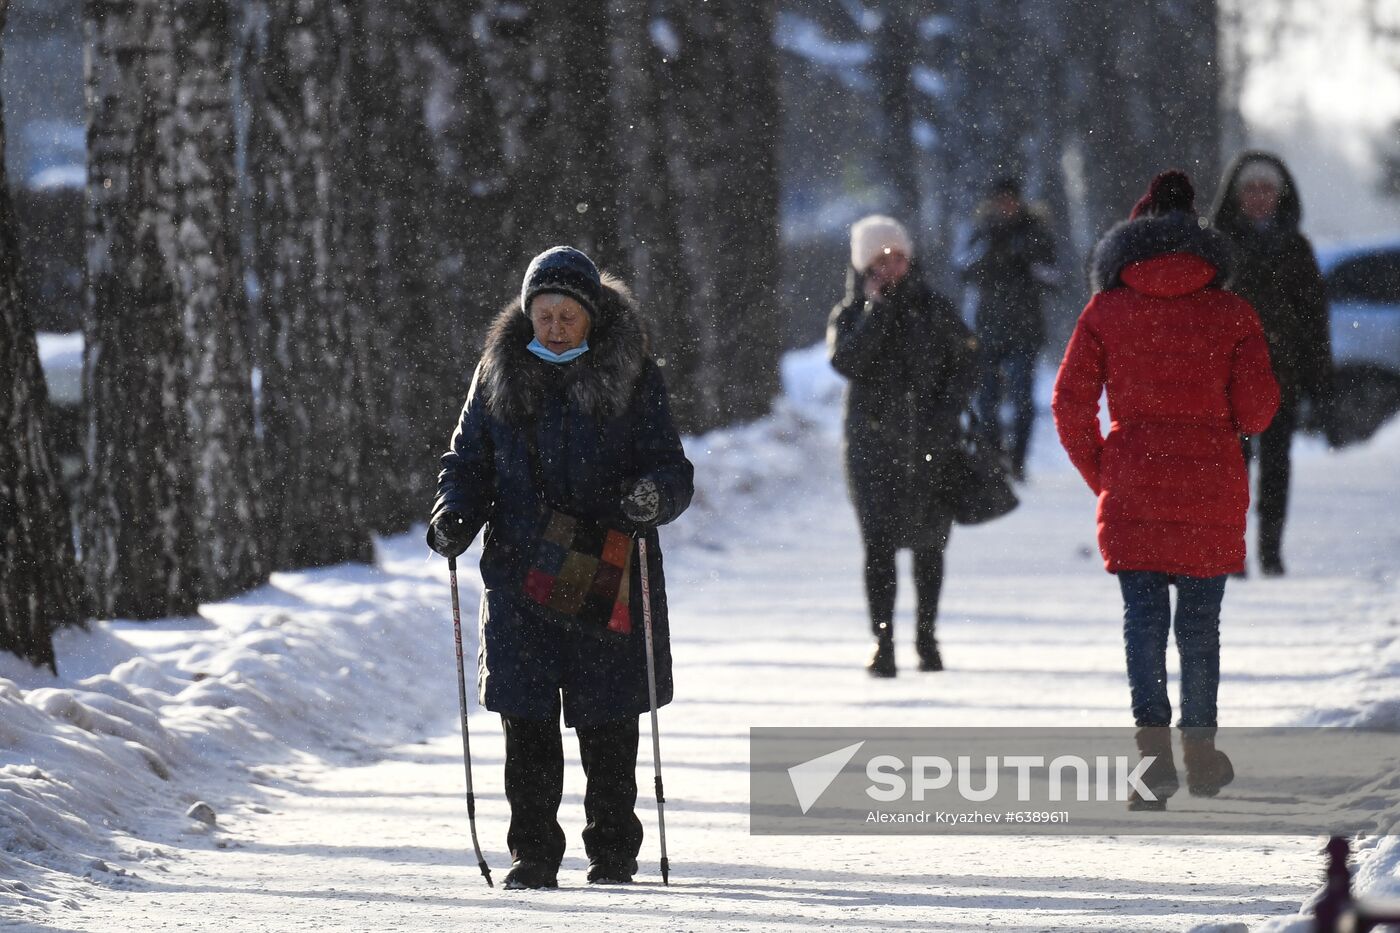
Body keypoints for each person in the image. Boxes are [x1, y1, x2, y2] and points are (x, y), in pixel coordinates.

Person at [427, 246, 694, 889]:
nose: (553, 327)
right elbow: (467, 463)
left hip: (604, 561)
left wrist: (651, 497)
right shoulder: (497, 371)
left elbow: (671, 466)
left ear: (590, 317)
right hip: (519, 570)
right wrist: (453, 515)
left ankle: (612, 850)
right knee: (528, 720)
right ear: (528, 313)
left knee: (607, 719)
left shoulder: (633, 375)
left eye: (566, 315)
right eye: (543, 314)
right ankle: (534, 853)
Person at [1052, 171, 1279, 806]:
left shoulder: (1105, 310)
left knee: (1143, 621)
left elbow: (1070, 405)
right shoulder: (1233, 313)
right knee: (1200, 628)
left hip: (1134, 485)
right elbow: (1258, 412)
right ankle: (1201, 756)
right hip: (1210, 482)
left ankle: (1152, 765)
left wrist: (1105, 473)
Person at [828, 215, 976, 678]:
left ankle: (927, 639)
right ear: (863, 265)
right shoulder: (850, 314)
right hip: (872, 449)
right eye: (880, 258)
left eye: (898, 256)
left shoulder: (935, 307)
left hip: (931, 445)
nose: (891, 265)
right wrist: (877, 311)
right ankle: (884, 641)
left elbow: (968, 363)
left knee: (931, 547)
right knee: (879, 548)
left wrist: (947, 411)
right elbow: (847, 361)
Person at [1211, 151, 1333, 576]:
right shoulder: (1216, 245)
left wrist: (1320, 381)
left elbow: (1314, 318)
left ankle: (1270, 549)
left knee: (1277, 464)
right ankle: (1233, 549)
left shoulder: (1296, 248)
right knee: (1232, 467)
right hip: (1227, 377)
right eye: (1251, 189)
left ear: (1280, 196)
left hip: (1282, 373)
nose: (1259, 197)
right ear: (1237, 195)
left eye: (1267, 189)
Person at [957, 176, 1058, 482]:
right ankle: (994, 456)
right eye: (1000, 201)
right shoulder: (981, 233)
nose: (1005, 207)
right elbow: (963, 270)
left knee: (1022, 399)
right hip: (987, 330)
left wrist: (1025, 259)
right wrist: (991, 254)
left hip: (1024, 330)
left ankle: (1017, 460)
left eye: (1009, 200)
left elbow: (1053, 277)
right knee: (986, 401)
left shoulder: (1035, 232)